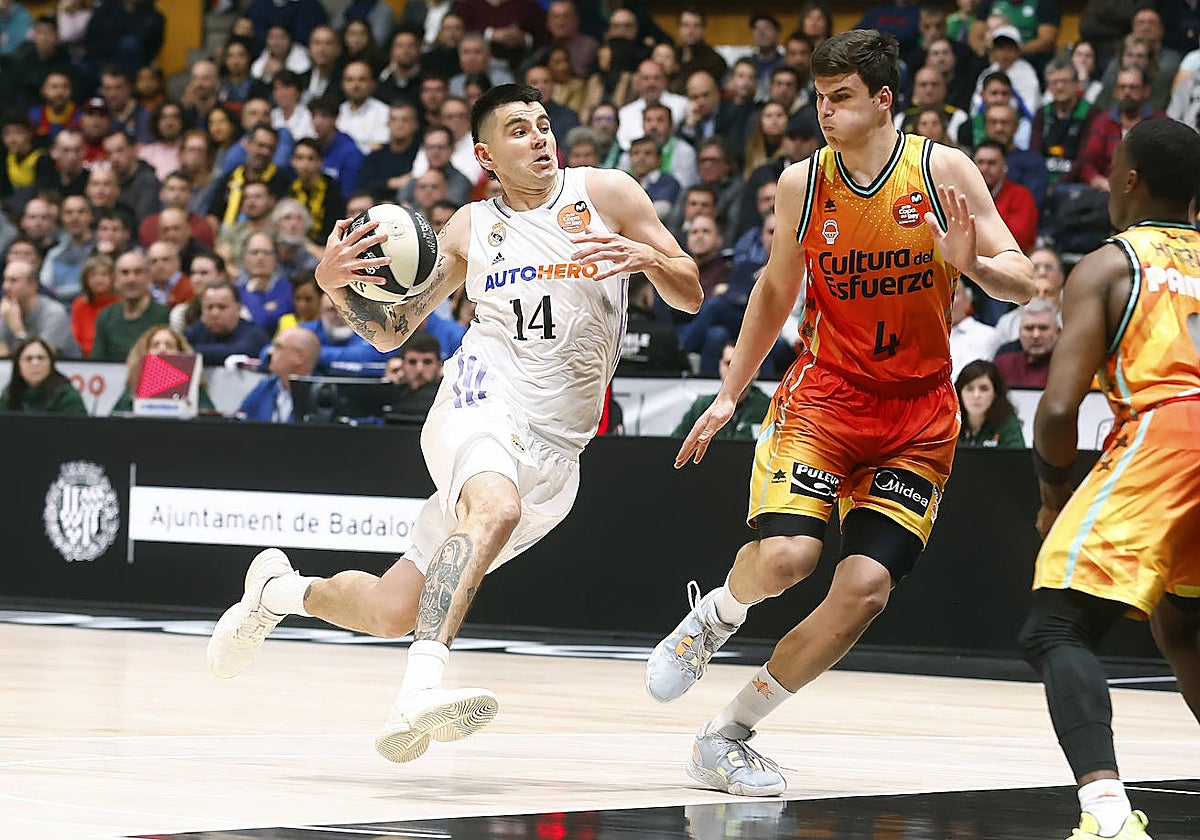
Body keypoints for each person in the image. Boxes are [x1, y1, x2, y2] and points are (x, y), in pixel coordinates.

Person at [205, 83, 701, 764]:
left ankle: (275, 591)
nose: (540, 139)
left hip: (560, 450)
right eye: (520, 130)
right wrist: (332, 284)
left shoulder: (609, 193)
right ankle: (419, 692)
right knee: (493, 507)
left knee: (390, 610)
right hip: (481, 399)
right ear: (486, 154)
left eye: (545, 125)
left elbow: (691, 290)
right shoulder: (470, 228)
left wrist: (649, 260)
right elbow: (391, 330)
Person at [643, 30, 1034, 797]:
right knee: (789, 561)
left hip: (919, 416)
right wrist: (730, 393)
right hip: (826, 396)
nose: (824, 112)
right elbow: (773, 292)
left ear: (885, 100)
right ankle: (718, 614)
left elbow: (1021, 279)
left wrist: (974, 266)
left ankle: (726, 736)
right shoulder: (803, 182)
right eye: (819, 97)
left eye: (841, 97)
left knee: (863, 593)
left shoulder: (940, 168)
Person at [1021, 117, 1200, 840]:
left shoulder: (1108, 263)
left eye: (1112, 171)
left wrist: (1053, 497)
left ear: (1129, 180)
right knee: (1184, 624)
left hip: (1168, 432)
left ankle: (1106, 813)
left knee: (1056, 624)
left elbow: (1060, 409)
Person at [673, 342, 770, 441]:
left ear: (757, 370)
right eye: (729, 363)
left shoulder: (770, 408)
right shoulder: (703, 405)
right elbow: (674, 444)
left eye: (742, 364)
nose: (733, 370)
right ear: (720, 366)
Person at [111, 325, 216, 413]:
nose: (162, 349)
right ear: (145, 353)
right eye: (155, 345)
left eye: (169, 346)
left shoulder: (195, 390)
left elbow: (209, 418)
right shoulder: (132, 391)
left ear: (181, 353)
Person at [235, 326, 321, 422]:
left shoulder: (320, 393)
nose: (270, 352)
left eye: (278, 347)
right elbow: (241, 422)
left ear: (299, 356)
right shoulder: (266, 386)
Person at [0, 336, 87, 415]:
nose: (35, 363)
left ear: (50, 363)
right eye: (28, 358)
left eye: (41, 358)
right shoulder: (10, 395)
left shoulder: (66, 396)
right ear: (18, 365)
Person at [955, 359, 1024, 448]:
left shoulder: (1007, 423)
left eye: (984, 389)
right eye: (969, 388)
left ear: (995, 393)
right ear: (959, 393)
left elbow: (1019, 459)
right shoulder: (950, 423)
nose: (976, 395)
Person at [378, 330, 443, 423]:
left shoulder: (446, 398)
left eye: (427, 362)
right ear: (402, 365)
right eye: (412, 362)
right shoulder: (392, 394)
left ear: (439, 365)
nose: (419, 369)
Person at [994, 297, 1059, 387]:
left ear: (1057, 331)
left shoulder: (1071, 365)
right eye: (1029, 328)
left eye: (1043, 328)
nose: (1036, 335)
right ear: (1020, 332)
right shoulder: (1003, 364)